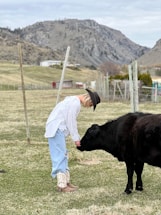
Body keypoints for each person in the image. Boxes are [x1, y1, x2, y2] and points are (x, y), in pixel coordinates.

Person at [44, 88, 101, 192]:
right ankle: (62, 185)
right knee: (59, 155)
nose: (89, 107)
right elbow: (71, 122)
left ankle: (66, 182)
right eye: (91, 105)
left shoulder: (72, 100)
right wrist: (76, 138)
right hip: (56, 128)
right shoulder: (75, 104)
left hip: (57, 128)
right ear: (90, 100)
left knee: (63, 154)